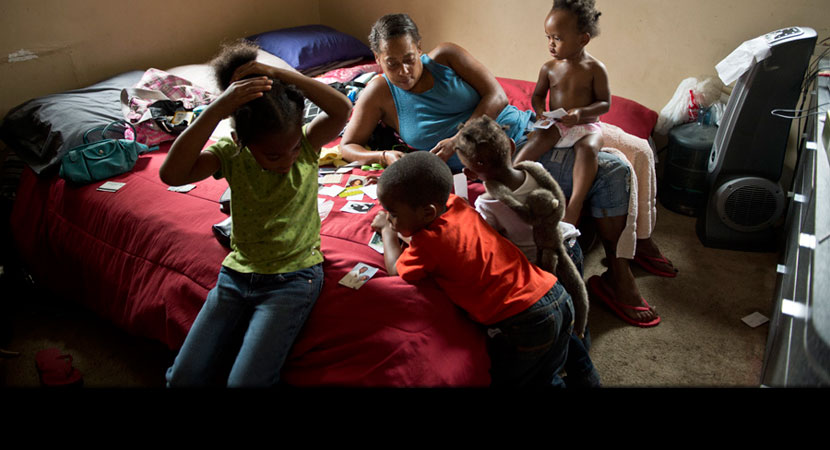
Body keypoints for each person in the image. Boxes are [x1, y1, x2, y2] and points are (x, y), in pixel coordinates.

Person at [342, 12, 661, 327]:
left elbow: (496, 94)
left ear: (420, 48)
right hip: (497, 162)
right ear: (377, 58)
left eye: (410, 58)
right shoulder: (379, 92)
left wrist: (458, 137)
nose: (404, 70)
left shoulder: (447, 57)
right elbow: (347, 145)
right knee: (612, 168)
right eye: (392, 63)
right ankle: (620, 276)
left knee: (629, 154)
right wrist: (383, 156)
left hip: (527, 134)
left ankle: (628, 257)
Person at [160, 40, 352, 387]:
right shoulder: (230, 154)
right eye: (274, 156)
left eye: (293, 148)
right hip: (236, 275)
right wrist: (216, 109)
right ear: (239, 140)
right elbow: (171, 175)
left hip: (293, 279)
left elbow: (342, 109)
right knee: (181, 379)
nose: (289, 159)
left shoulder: (306, 147)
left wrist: (280, 74)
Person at [370, 151, 574, 387]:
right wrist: (402, 227)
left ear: (428, 213)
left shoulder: (428, 244)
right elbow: (444, 240)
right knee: (552, 373)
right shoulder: (457, 205)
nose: (390, 218)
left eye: (393, 214)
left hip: (525, 321)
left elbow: (395, 270)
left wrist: (387, 231)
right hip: (554, 291)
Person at [454, 115, 601, 387]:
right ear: (511, 146)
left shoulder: (488, 204)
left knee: (560, 329)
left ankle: (571, 359)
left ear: (471, 172)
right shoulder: (533, 168)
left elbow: (494, 247)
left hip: (543, 266)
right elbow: (556, 200)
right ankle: (585, 358)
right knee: (574, 310)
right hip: (569, 244)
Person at [515, 0, 609, 227]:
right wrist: (541, 114)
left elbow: (605, 104)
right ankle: (510, 183)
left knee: (587, 150)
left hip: (586, 126)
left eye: (557, 38)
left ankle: (574, 205)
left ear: (582, 39)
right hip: (558, 124)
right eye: (548, 37)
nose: (551, 44)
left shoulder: (595, 69)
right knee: (534, 143)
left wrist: (581, 113)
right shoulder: (549, 68)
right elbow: (537, 97)